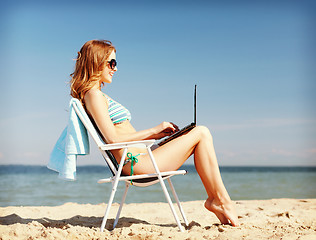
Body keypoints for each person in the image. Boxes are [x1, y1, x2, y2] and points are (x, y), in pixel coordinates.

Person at [70, 39, 239, 227]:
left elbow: (117, 136)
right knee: (201, 132)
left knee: (197, 134)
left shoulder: (95, 95)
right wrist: (153, 130)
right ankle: (220, 200)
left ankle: (218, 200)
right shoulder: (93, 95)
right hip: (137, 165)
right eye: (112, 63)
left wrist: (156, 137)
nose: (115, 69)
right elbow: (113, 139)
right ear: (96, 61)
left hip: (142, 157)